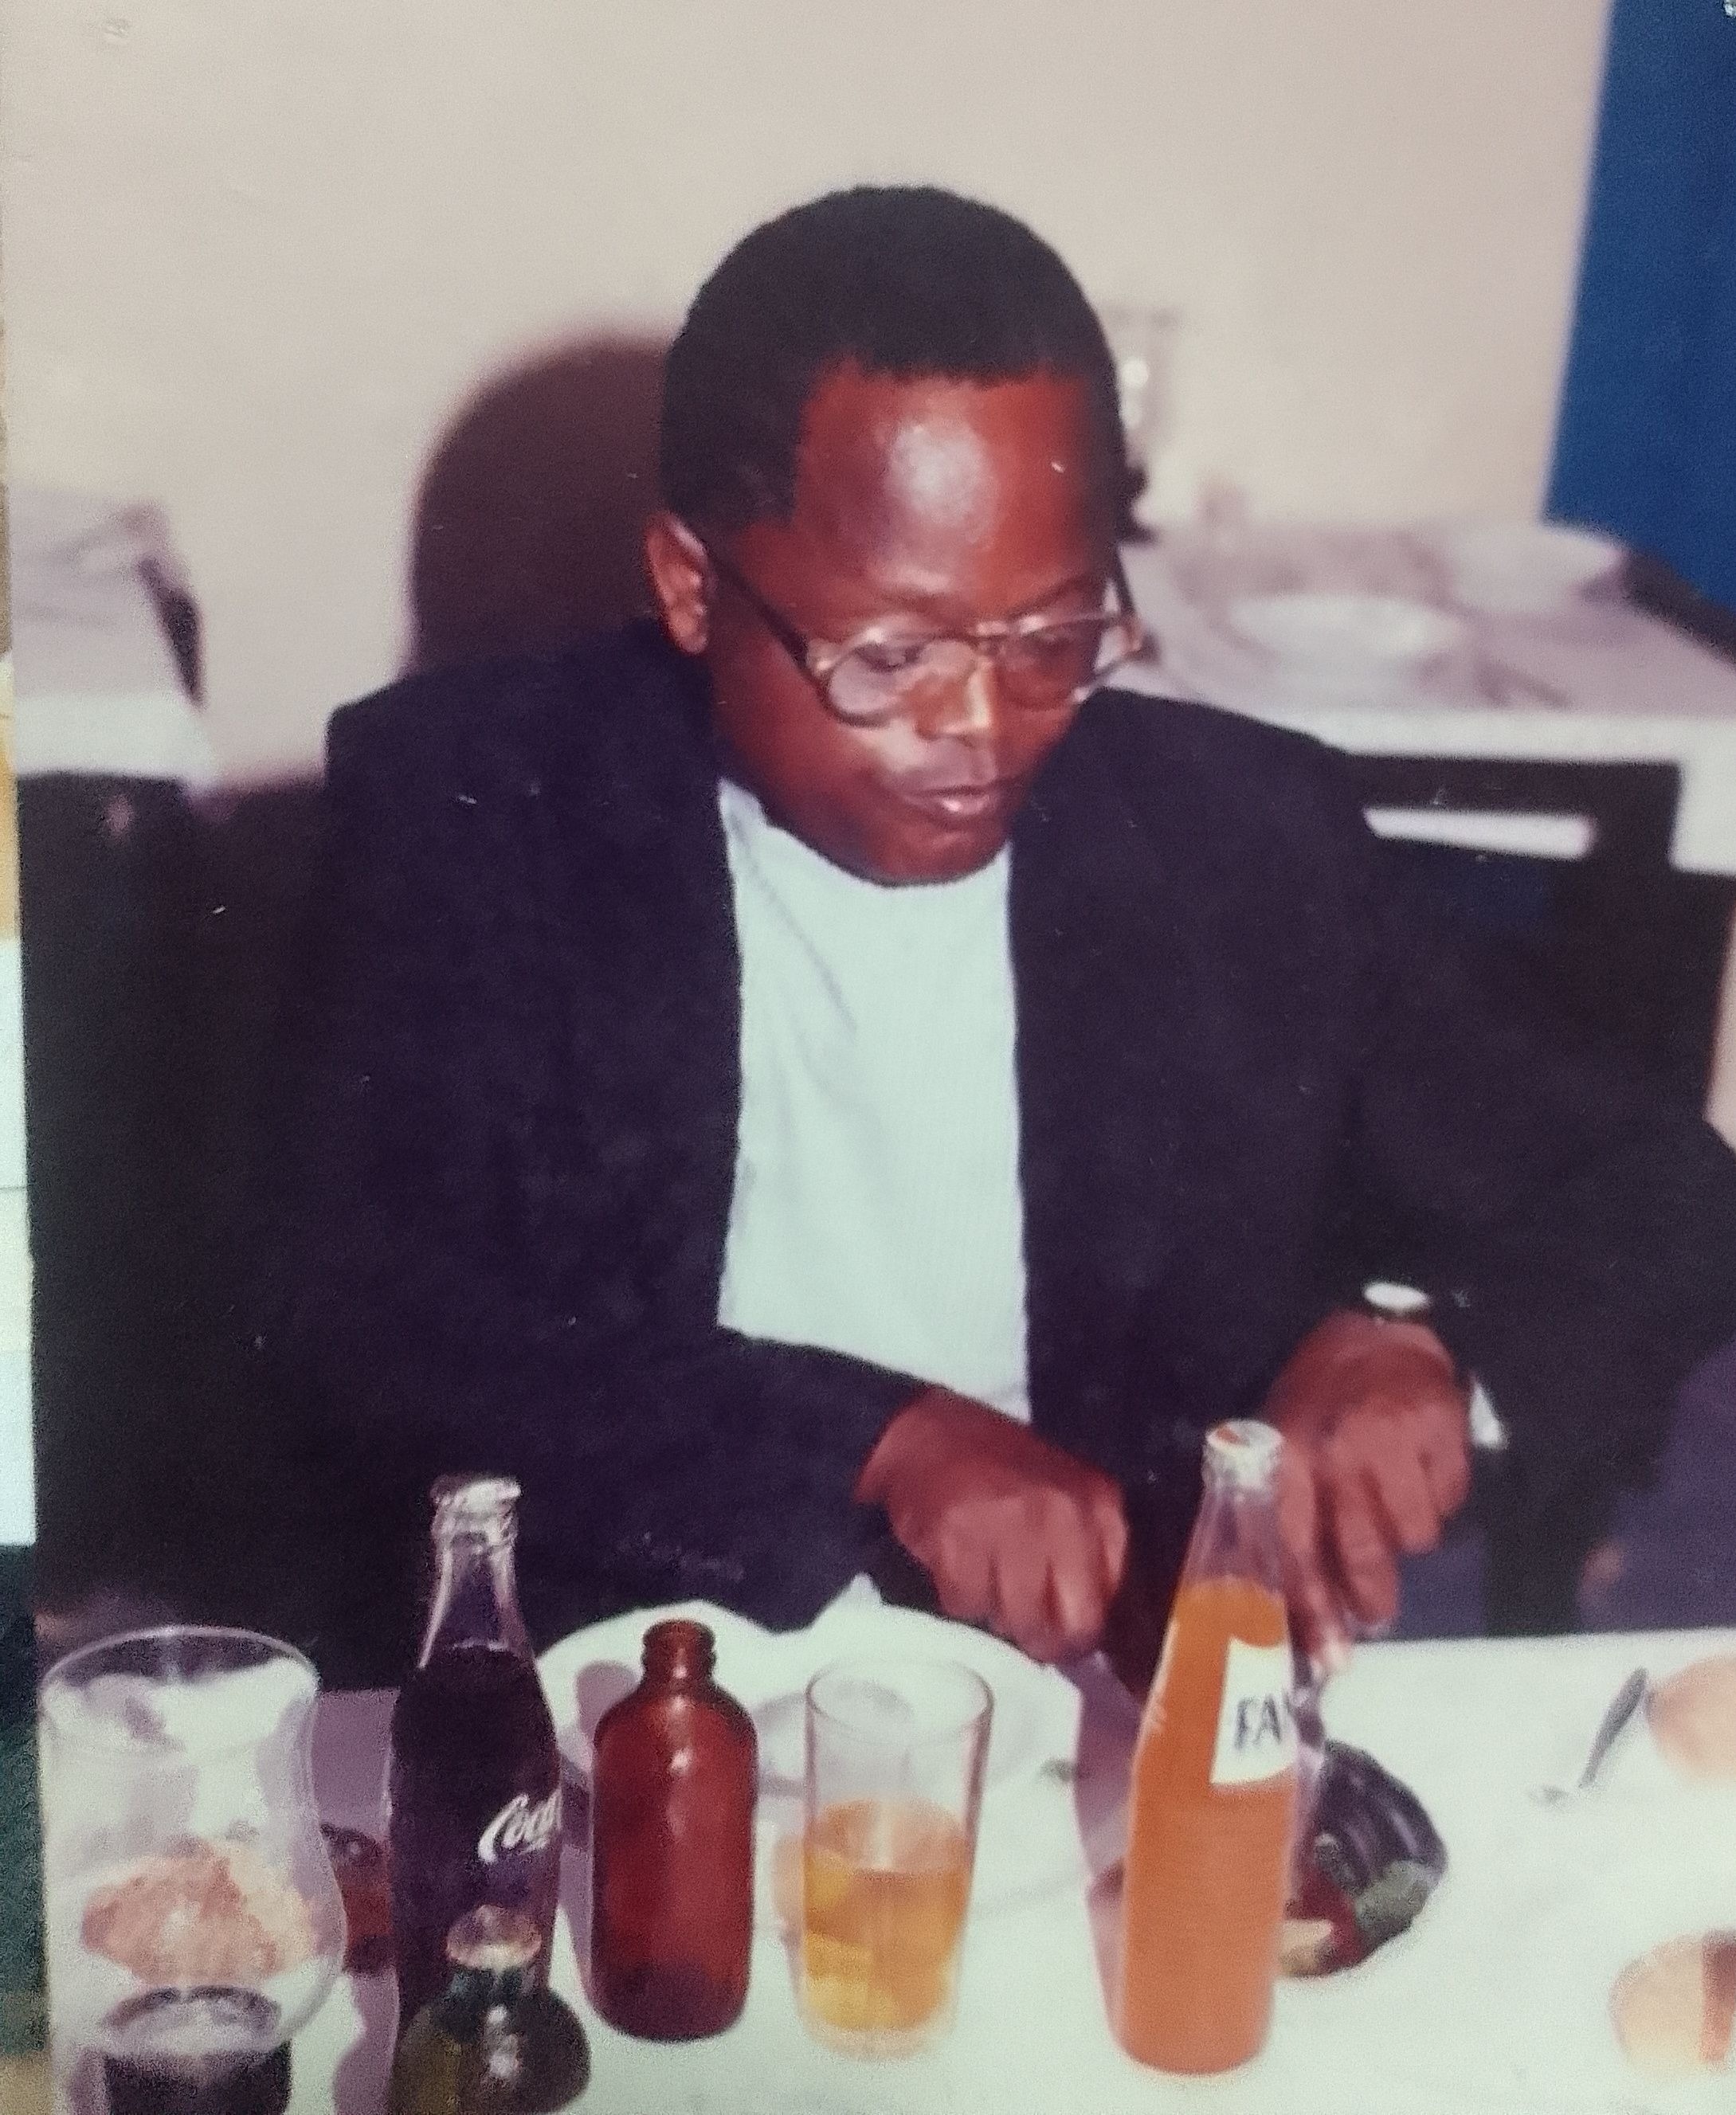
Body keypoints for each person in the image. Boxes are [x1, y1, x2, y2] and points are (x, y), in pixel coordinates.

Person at [249, 186, 1736, 1675]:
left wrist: (1427, 1334)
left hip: (1087, 1694)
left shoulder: (1242, 840)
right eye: (890, 655)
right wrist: (871, 1441)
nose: (984, 724)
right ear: (693, 586)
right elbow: (361, 1315)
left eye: (1052, 638)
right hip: (635, 1673)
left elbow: (1661, 1184)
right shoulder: (478, 805)